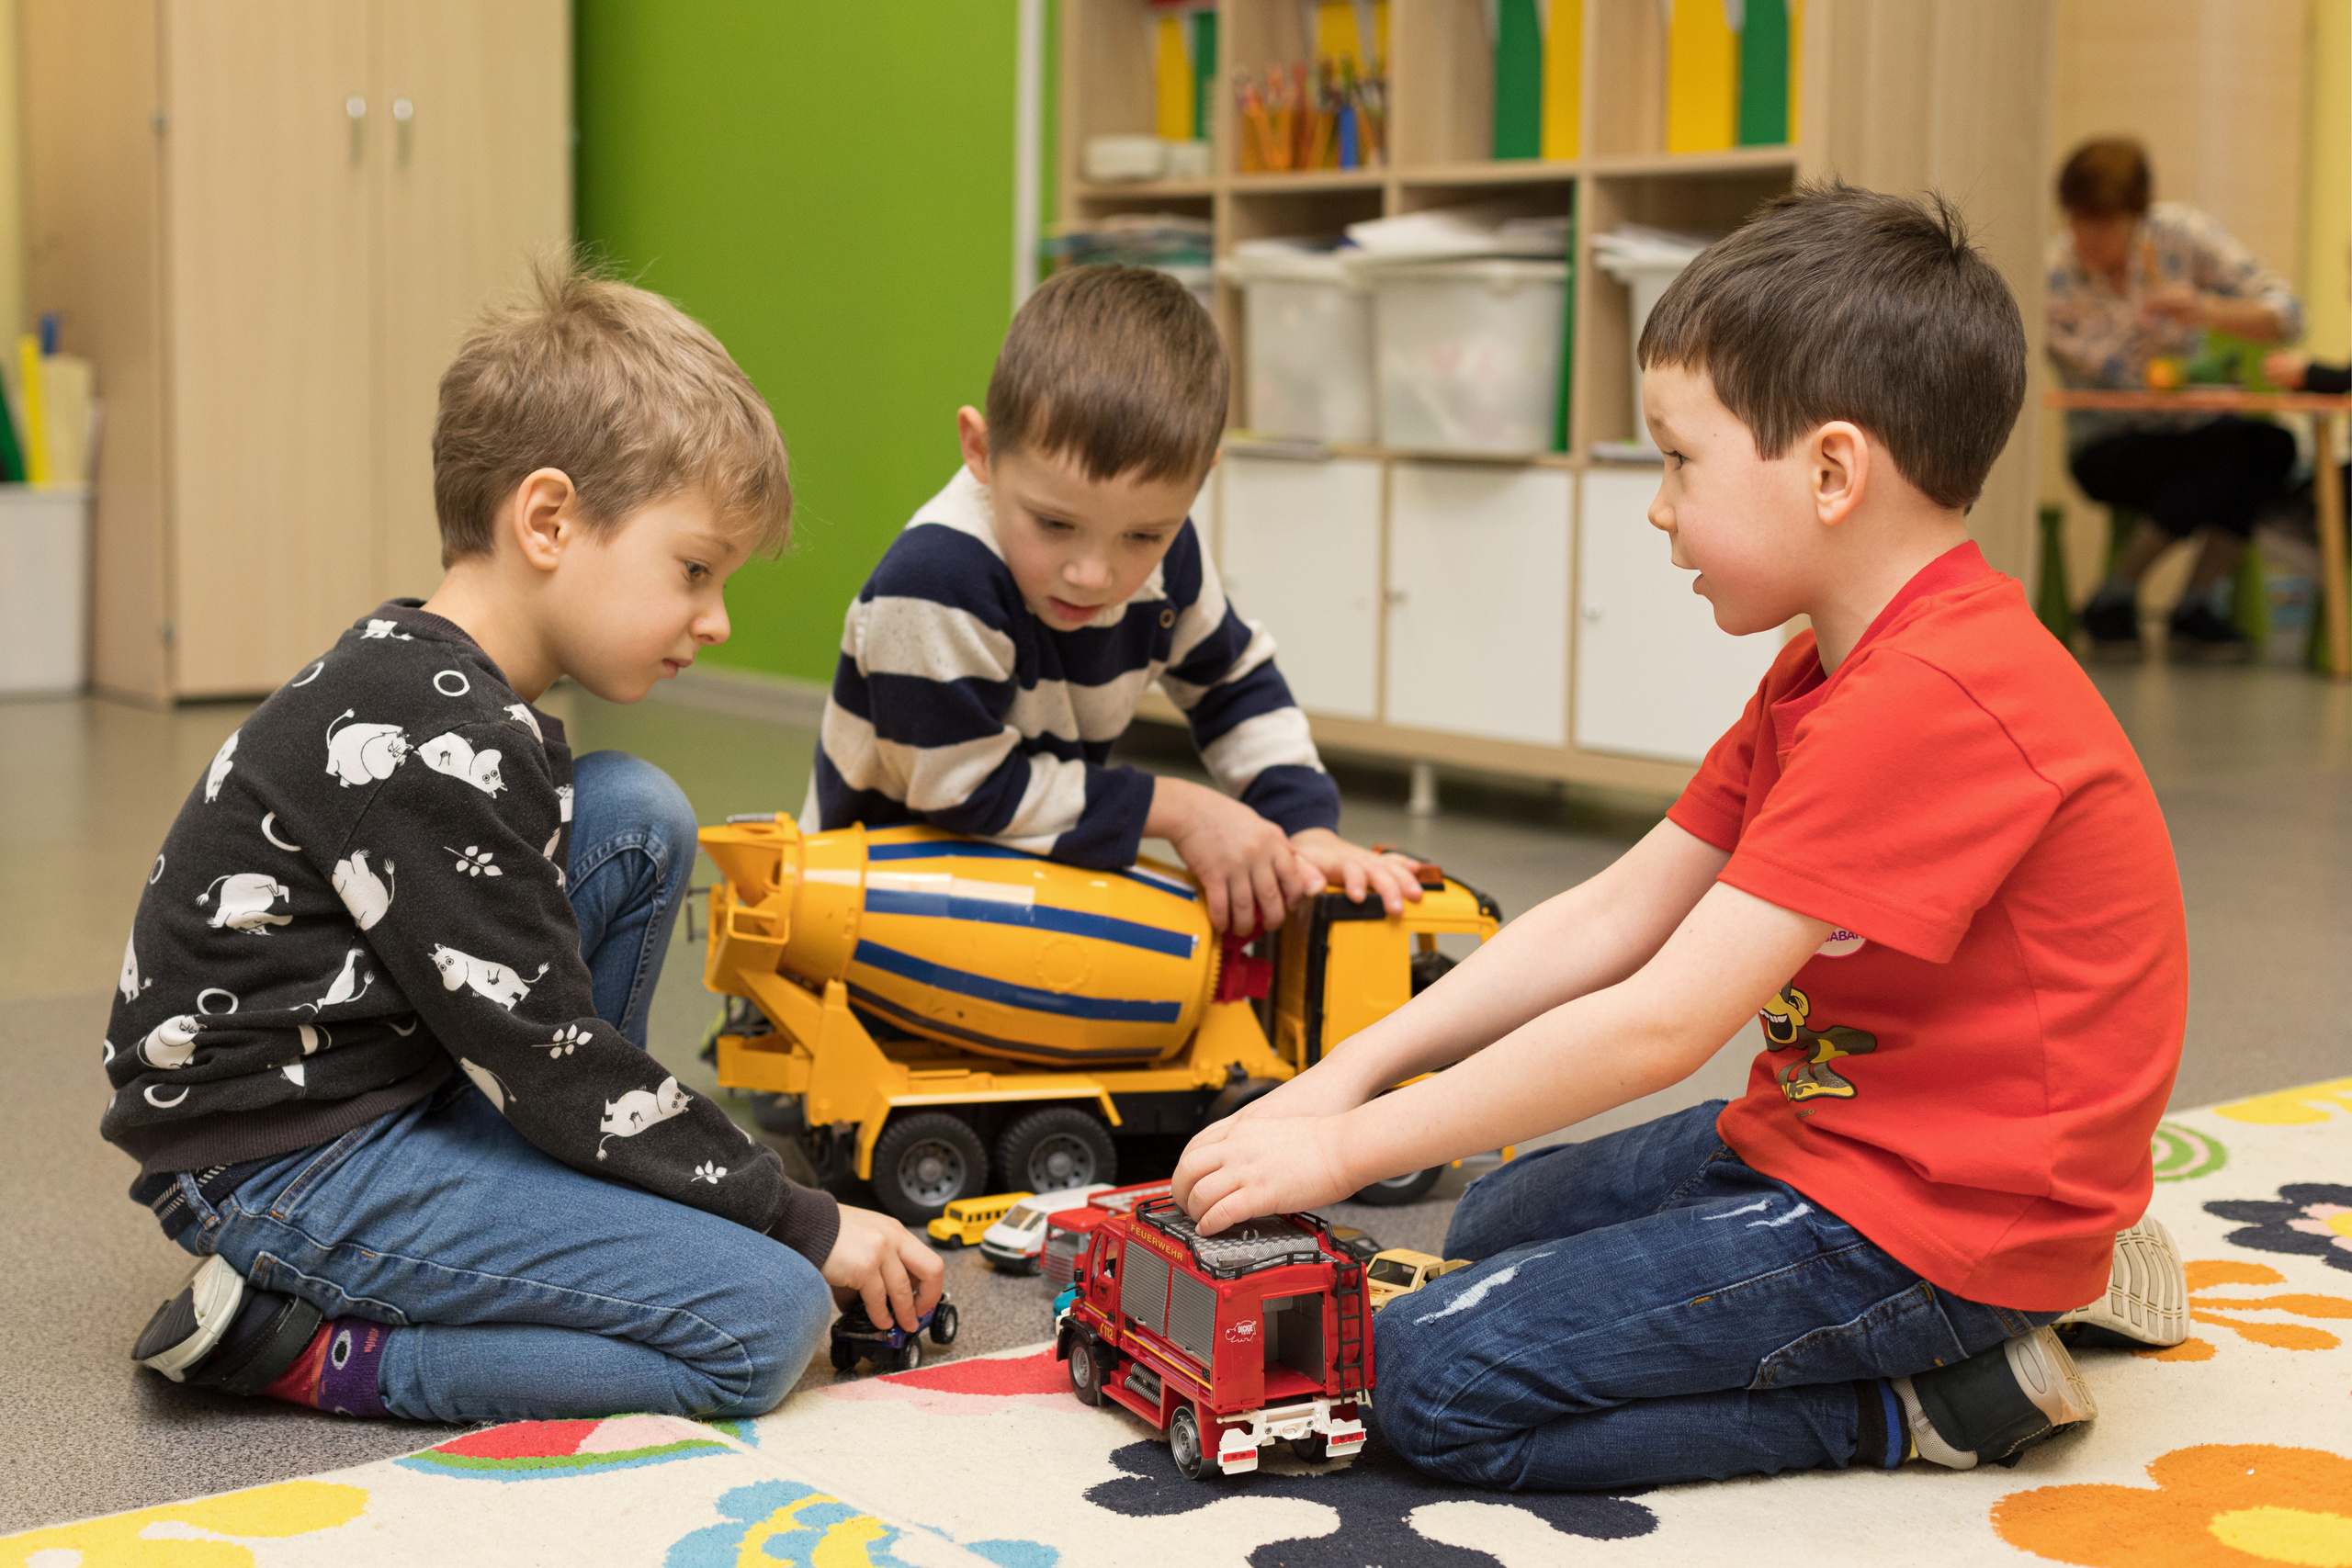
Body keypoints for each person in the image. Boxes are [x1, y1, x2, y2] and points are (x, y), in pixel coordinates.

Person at [1170, 184, 2191, 1489]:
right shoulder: (1827, 668)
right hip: (1845, 1144)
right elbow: (1615, 913)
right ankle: (2001, 1300)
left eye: (1678, 460)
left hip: (1947, 1224)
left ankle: (1927, 1397)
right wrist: (1346, 1079)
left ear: (1832, 471)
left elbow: (1661, 1024)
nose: (1657, 505)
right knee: (1490, 1215)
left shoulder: (1935, 697)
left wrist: (1340, 1146)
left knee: (1426, 1380)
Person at [112, 257, 943, 1423]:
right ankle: (308, 1350)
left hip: (378, 1087)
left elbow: (536, 1025)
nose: (715, 620)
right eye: (694, 570)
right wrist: (794, 1219)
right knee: (762, 1323)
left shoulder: (444, 688)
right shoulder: (429, 739)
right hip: (287, 1164)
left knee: (633, 813)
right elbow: (550, 1057)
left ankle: (589, 1185)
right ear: (548, 520)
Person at [812, 264, 1419, 937]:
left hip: (1019, 895)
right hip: (864, 917)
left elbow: (1232, 684)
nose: (1093, 575)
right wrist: (1181, 809)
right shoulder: (938, 577)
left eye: (1142, 535)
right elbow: (961, 791)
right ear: (981, 451)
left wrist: (1306, 827)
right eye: (1054, 523)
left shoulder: (1172, 554)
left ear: (1200, 481)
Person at [2046, 137, 2301, 650]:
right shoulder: (2055, 276)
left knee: (2273, 448)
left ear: (2137, 216)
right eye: (2078, 221)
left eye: (2105, 224)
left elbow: (2288, 315)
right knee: (2219, 461)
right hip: (2107, 441)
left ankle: (2169, 599)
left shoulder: (2182, 236)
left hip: (2195, 431)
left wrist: (2207, 310)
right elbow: (2133, 379)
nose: (2087, 237)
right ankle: (2130, 597)